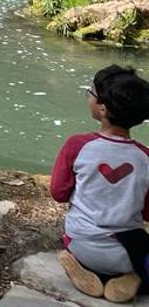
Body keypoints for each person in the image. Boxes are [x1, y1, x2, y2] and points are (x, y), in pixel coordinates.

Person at [51, 65, 149, 304]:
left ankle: (82, 268)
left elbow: (59, 193)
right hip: (126, 254)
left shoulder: (77, 145)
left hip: (79, 242)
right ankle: (131, 277)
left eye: (91, 92)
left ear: (102, 109)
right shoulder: (145, 158)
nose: (89, 95)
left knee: (79, 238)